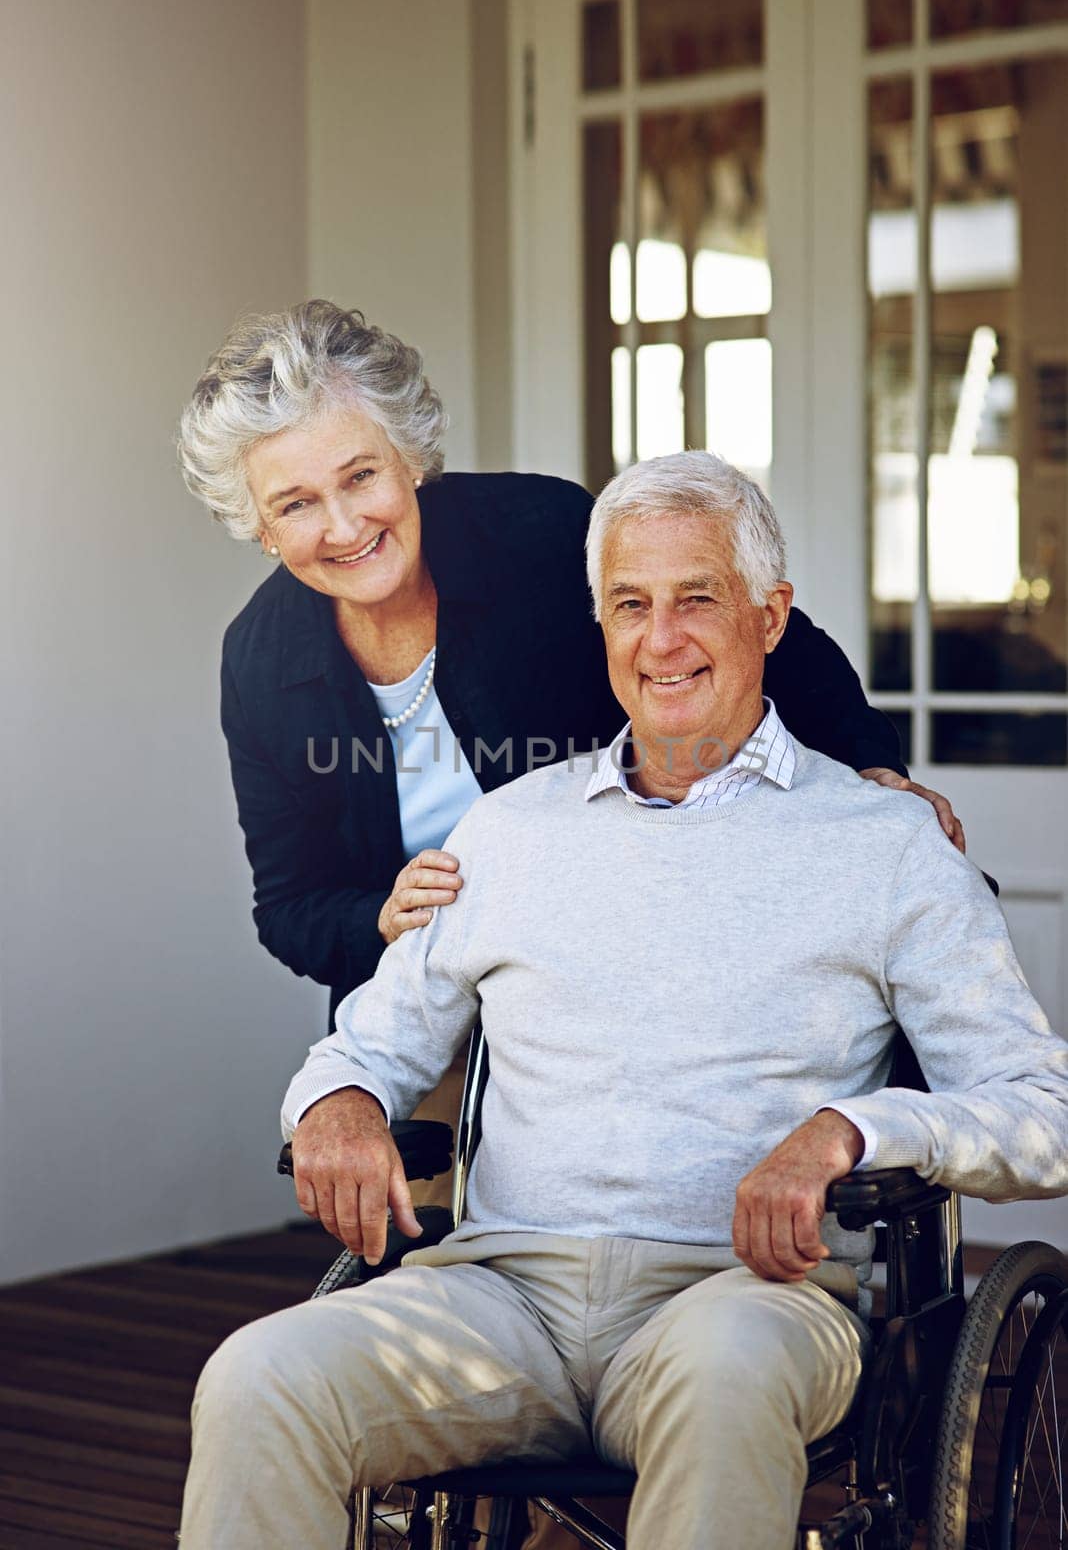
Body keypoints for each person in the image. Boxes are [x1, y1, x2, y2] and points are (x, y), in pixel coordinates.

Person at [179, 453, 1068, 1550]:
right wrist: (341, 1102)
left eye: (697, 598)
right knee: (260, 1375)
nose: (663, 639)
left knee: (729, 1371)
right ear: (596, 626)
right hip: (499, 1299)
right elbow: (372, 1039)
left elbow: (1041, 1112)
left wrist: (857, 1128)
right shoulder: (511, 832)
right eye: (630, 606)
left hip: (746, 1298)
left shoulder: (886, 847)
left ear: (772, 617)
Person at [178, 301, 963, 1024]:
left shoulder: (538, 534)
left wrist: (869, 769)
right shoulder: (259, 660)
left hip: (636, 958)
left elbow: (756, 635)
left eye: (361, 475)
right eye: (296, 503)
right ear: (262, 529)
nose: (346, 525)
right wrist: (378, 915)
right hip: (429, 1007)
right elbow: (290, 908)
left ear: (408, 459)